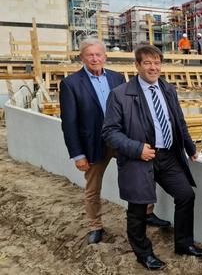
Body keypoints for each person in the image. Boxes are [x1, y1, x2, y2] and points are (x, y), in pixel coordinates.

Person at [102, 45, 202, 271]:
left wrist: (190, 148)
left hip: (168, 156)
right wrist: (136, 148)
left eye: (157, 62)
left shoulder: (167, 89)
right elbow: (109, 132)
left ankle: (183, 244)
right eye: (148, 63)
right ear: (137, 65)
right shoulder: (120, 95)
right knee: (139, 208)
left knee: (185, 195)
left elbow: (178, 121)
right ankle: (143, 254)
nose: (154, 67)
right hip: (140, 159)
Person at [60, 38, 169, 245]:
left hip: (121, 140)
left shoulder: (117, 78)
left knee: (142, 174)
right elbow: (69, 123)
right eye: (90, 55)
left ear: (105, 56)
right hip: (92, 144)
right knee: (93, 188)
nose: (94, 58)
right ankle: (95, 225)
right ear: (82, 57)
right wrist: (78, 154)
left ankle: (147, 213)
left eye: (98, 54)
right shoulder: (70, 84)